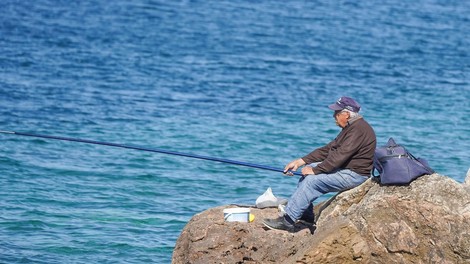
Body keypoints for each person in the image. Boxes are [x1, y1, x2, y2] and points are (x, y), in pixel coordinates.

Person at [263, 96, 376, 232]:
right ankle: (307, 216)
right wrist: (301, 161)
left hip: (355, 175)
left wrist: (316, 170)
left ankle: (288, 221)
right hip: (345, 171)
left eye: (336, 113)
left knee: (311, 181)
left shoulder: (358, 130)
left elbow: (339, 157)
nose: (334, 116)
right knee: (306, 177)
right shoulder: (351, 127)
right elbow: (329, 149)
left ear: (346, 114)